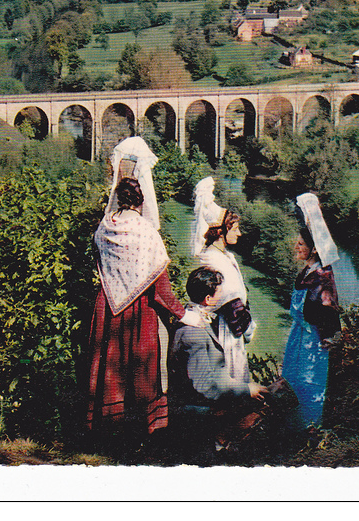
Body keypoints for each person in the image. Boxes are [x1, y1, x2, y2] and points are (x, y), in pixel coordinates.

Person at [86, 139, 203, 450]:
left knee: (110, 370)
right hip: (138, 313)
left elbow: (100, 265)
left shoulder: (103, 229)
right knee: (140, 370)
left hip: (107, 309)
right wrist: (185, 315)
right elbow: (161, 288)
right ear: (142, 201)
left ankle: (106, 432)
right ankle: (140, 435)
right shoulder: (146, 233)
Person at [170, 265, 269, 452]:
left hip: (202, 400)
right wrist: (246, 389)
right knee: (255, 410)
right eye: (220, 294)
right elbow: (204, 385)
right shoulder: (194, 333)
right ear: (208, 299)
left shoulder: (195, 315)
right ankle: (220, 446)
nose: (223, 297)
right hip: (195, 408)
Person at [282, 192, 342, 429]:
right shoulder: (307, 272)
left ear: (314, 250)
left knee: (309, 383)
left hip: (313, 343)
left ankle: (308, 429)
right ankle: (291, 426)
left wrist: (328, 335)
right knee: (293, 381)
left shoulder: (321, 278)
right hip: (298, 338)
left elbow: (326, 313)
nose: (296, 246)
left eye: (301, 243)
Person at [190, 177, 255, 383]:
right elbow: (228, 300)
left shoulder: (224, 255)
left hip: (232, 327)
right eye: (235, 228)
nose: (239, 233)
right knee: (228, 379)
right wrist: (248, 328)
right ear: (221, 232)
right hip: (224, 330)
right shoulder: (212, 259)